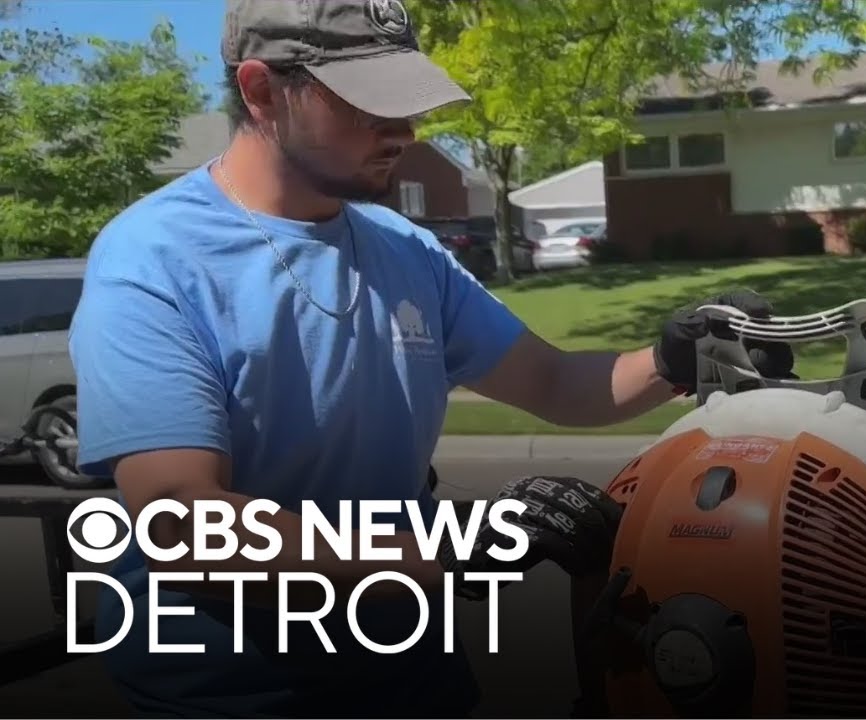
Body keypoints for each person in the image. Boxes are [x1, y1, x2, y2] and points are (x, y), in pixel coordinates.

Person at [67, 0, 791, 716]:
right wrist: (446, 550)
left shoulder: (402, 246)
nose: (407, 132)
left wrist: (673, 358)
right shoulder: (154, 258)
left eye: (409, 103)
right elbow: (186, 525)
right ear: (261, 91)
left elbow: (555, 382)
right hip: (231, 691)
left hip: (410, 674)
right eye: (370, 105)